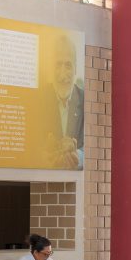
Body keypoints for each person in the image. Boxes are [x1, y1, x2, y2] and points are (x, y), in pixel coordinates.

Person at [48, 33, 85, 169]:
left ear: (76, 68)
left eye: (68, 65)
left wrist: (78, 156)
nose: (62, 74)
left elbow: (92, 146)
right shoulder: (39, 98)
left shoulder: (85, 100)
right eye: (58, 64)